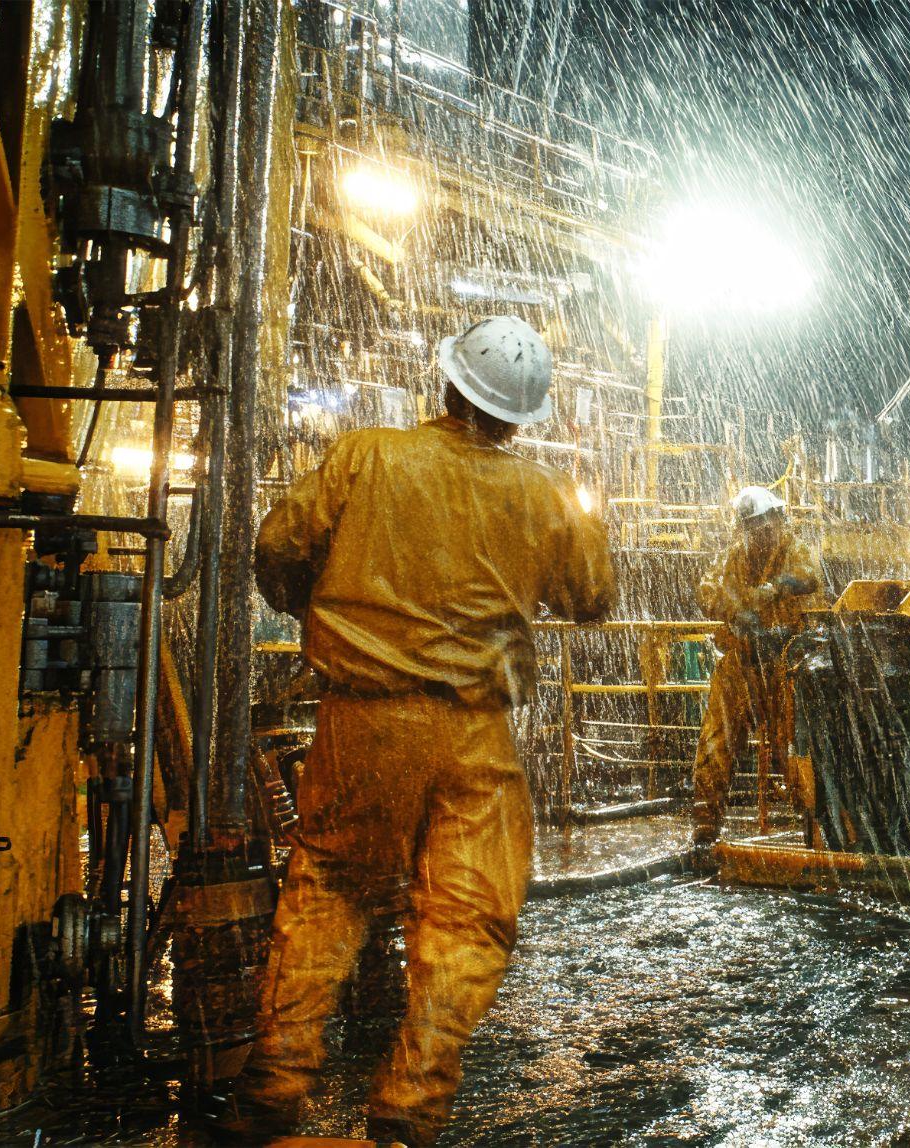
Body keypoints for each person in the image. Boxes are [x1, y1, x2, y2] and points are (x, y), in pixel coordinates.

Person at [234, 315, 614, 1146]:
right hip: (477, 732)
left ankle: (273, 1085)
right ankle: (411, 1104)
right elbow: (593, 596)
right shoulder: (540, 492)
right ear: (519, 418)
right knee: (466, 916)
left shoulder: (368, 456)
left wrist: (327, 611)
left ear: (443, 385)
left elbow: (277, 549)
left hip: (363, 720)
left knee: (333, 888)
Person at [691, 485, 821, 847]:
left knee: (791, 745)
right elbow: (707, 589)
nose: (759, 533)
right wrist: (733, 611)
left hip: (786, 660)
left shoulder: (793, 548)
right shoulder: (735, 556)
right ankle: (705, 822)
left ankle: (813, 824)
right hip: (744, 659)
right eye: (752, 528)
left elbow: (809, 576)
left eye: (764, 525)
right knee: (717, 738)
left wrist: (776, 588)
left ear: (776, 520)